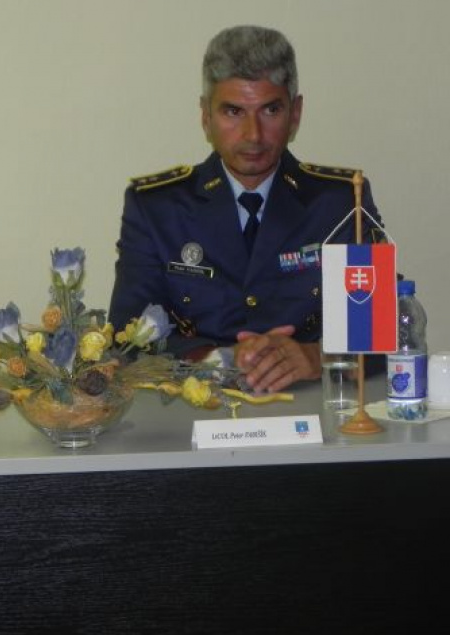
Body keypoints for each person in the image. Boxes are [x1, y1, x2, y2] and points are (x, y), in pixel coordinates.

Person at [109, 25, 385, 394]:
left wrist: (317, 356)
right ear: (206, 116)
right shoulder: (156, 208)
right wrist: (217, 359)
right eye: (233, 111)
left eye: (270, 110)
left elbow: (387, 328)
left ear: (295, 113)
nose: (253, 134)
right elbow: (125, 338)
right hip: (195, 413)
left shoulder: (341, 202)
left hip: (312, 411)